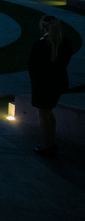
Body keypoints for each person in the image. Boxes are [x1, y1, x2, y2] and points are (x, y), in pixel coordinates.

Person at [29, 15, 74, 157]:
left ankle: (48, 146)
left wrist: (35, 82)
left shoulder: (40, 45)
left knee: (43, 114)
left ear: (43, 27)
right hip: (58, 83)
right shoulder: (66, 43)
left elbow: (33, 67)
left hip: (42, 84)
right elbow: (63, 64)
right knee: (48, 111)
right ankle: (51, 143)